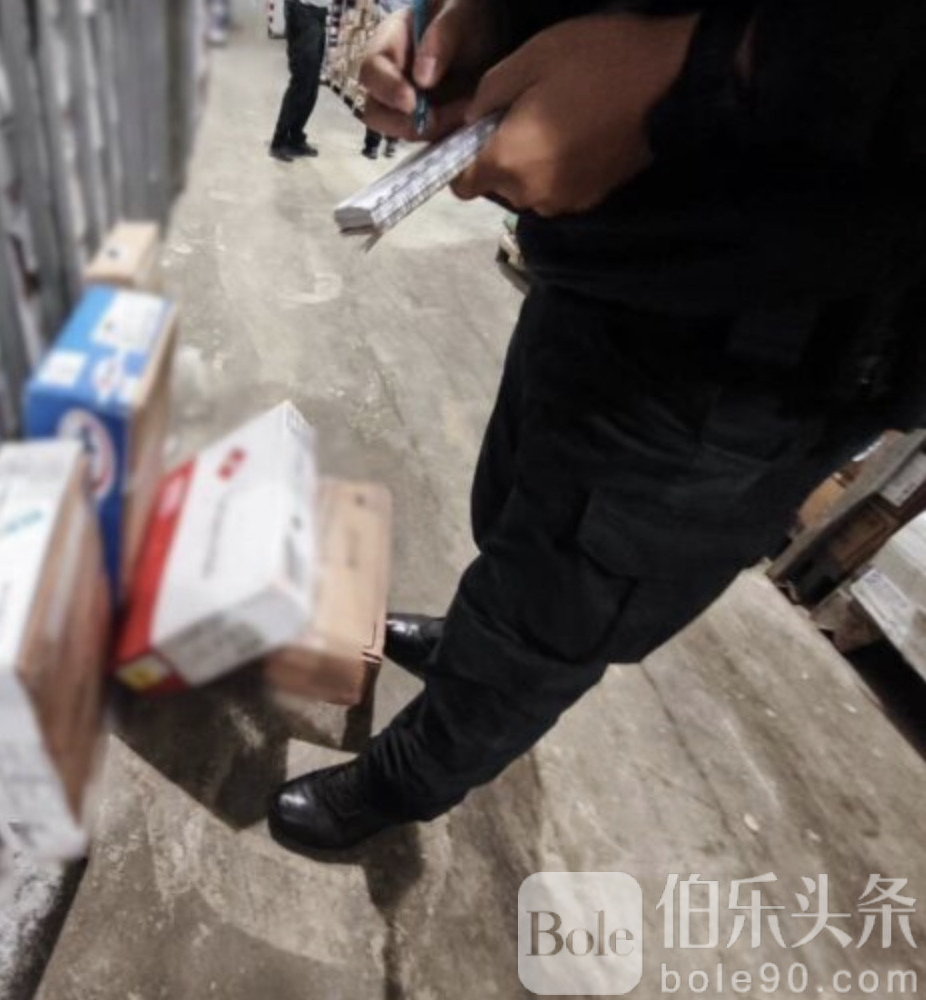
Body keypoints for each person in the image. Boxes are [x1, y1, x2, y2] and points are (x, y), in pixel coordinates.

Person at [268, 0, 926, 851]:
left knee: (550, 622)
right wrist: (483, 17)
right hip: (607, 265)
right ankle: (471, 633)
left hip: (759, 343)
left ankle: (401, 782)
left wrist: (711, 66)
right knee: (516, 512)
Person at [270, 0, 331, 162]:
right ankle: (279, 140)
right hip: (303, 11)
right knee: (302, 81)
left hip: (317, 13)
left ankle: (295, 137)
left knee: (311, 84)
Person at [363, 0, 412, 159]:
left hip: (402, 32)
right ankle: (378, 143)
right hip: (394, 30)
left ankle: (383, 142)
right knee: (387, 88)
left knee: (396, 90)